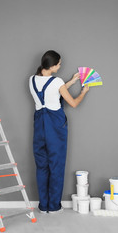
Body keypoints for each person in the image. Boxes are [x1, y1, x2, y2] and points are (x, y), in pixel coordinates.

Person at [29, 50, 89, 213]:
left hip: (39, 124)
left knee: (42, 166)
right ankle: (54, 206)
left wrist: (70, 82)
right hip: (55, 126)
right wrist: (83, 92)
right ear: (53, 66)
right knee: (56, 165)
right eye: (59, 63)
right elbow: (74, 103)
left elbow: (51, 92)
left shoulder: (32, 80)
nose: (61, 66)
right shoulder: (57, 82)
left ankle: (43, 206)